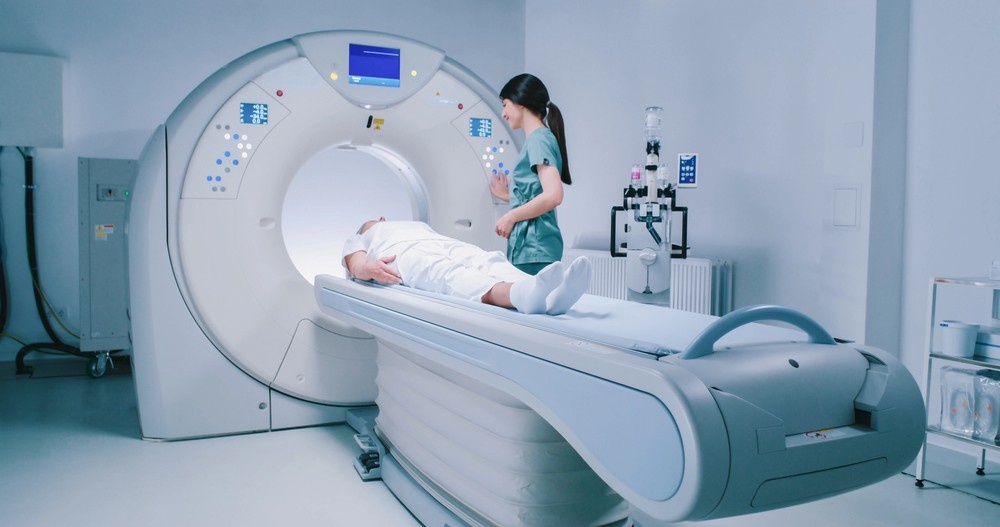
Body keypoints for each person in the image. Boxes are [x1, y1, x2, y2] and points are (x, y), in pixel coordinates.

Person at [342, 218, 591, 315]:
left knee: (487, 259)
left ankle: (546, 294)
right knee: (448, 273)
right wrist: (367, 269)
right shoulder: (364, 235)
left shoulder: (411, 222)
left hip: (439, 240)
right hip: (402, 253)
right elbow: (356, 263)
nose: (378, 220)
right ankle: (518, 295)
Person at [489, 73, 572, 276]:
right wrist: (509, 196)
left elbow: (553, 195)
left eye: (505, 104)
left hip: (535, 249)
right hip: (534, 248)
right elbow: (537, 192)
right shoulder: (540, 138)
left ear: (520, 103)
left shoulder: (538, 139)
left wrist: (511, 216)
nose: (503, 113)